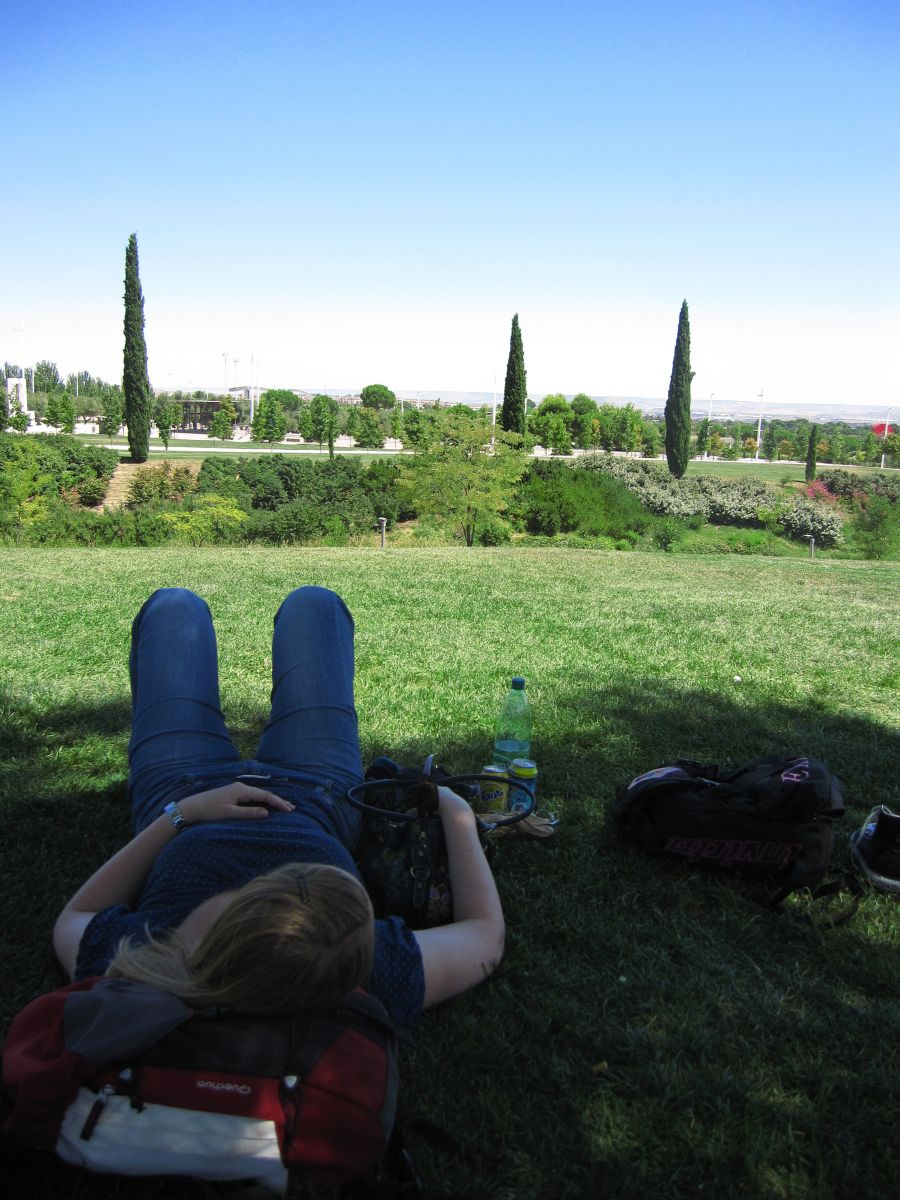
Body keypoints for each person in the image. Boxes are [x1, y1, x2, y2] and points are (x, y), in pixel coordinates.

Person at [53, 586, 504, 1031]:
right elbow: (484, 934)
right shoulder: (355, 967)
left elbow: (74, 918)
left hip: (185, 788)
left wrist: (182, 814)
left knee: (173, 606)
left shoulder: (152, 961)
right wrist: (454, 809)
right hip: (318, 793)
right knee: (315, 603)